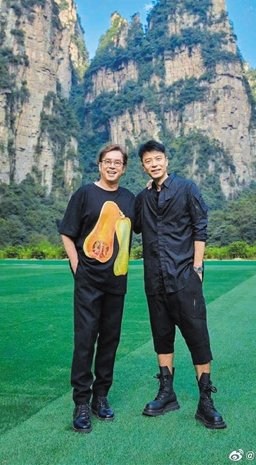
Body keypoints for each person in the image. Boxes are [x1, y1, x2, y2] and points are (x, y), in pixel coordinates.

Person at [134, 139, 226, 429]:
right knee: (162, 335)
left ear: (166, 160)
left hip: (185, 276)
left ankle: (205, 401)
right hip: (154, 279)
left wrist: (197, 267)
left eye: (157, 159)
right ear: (143, 166)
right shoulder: (142, 197)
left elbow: (200, 227)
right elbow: (134, 226)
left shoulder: (187, 188)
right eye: (148, 161)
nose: (154, 164)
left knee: (197, 335)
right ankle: (166, 393)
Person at [59, 144, 135, 433]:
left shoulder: (130, 199)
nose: (112, 166)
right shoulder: (84, 194)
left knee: (110, 340)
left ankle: (101, 397)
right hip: (88, 280)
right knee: (85, 338)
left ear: (124, 168)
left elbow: (144, 224)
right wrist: (76, 264)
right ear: (100, 164)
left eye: (118, 162)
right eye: (108, 161)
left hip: (117, 280)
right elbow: (67, 232)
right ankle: (81, 401)